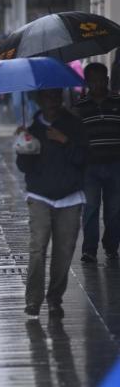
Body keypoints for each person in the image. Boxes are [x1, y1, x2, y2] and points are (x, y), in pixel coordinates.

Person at [16, 88, 88, 319]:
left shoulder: (74, 125)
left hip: (70, 196)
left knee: (64, 252)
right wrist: (23, 146)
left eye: (57, 96)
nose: (53, 101)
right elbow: (24, 168)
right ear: (39, 100)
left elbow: (84, 158)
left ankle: (55, 298)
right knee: (37, 248)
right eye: (48, 96)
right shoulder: (33, 128)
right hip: (40, 196)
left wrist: (64, 140)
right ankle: (33, 301)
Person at [74, 63, 120, 263]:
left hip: (115, 164)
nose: (98, 84)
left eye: (102, 79)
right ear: (87, 82)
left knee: (115, 209)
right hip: (90, 166)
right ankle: (89, 249)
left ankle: (111, 245)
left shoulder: (117, 102)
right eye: (93, 80)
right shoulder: (79, 106)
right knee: (91, 208)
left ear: (108, 80)